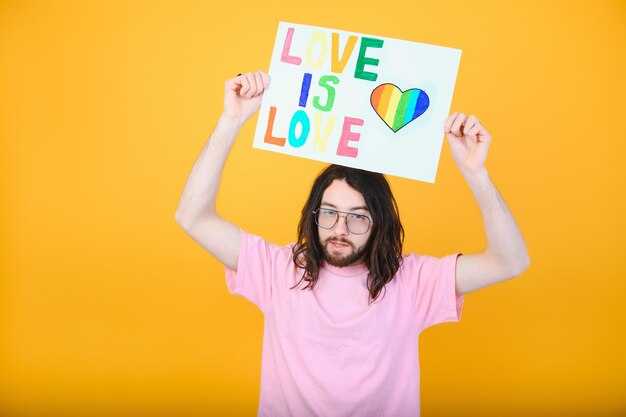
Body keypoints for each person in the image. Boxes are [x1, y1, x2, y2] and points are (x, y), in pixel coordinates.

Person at [175, 70, 530, 416]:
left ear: (379, 224)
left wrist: (475, 173)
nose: (340, 228)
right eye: (329, 212)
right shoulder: (278, 269)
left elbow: (510, 262)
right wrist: (231, 121)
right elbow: (193, 217)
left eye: (358, 216)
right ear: (314, 214)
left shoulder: (412, 280)